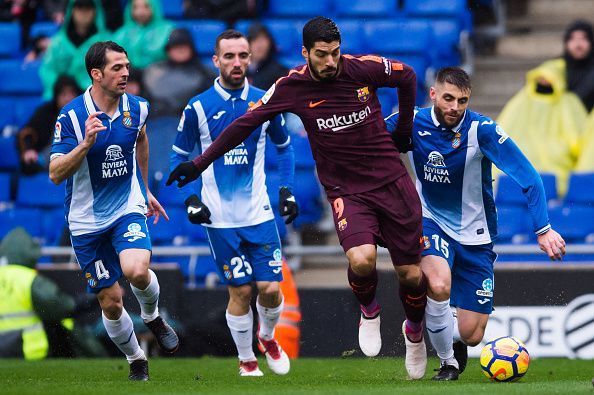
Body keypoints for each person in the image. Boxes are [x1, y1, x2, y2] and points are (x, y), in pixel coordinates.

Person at [168, 16, 429, 379]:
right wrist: (198, 164)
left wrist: (402, 132)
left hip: (392, 183)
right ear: (306, 53)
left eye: (336, 53)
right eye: (322, 54)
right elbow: (245, 123)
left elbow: (407, 76)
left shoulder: (361, 69)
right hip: (346, 191)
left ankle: (414, 334)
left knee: (411, 276)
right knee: (362, 259)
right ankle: (369, 310)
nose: (330, 61)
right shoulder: (291, 86)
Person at [385, 67, 566, 380]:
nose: (455, 107)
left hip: (476, 234)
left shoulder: (482, 130)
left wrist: (543, 229)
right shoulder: (410, 121)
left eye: (462, 100)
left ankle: (446, 330)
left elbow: (529, 178)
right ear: (433, 94)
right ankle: (446, 363)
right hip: (430, 221)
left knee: (471, 334)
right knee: (438, 283)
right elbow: (366, 143)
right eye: (448, 98)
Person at [169, 29, 297, 377]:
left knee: (270, 289)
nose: (237, 62)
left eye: (243, 55)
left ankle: (267, 336)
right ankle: (247, 361)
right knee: (240, 290)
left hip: (258, 213)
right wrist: (190, 199)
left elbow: (285, 148)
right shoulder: (197, 107)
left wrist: (287, 189)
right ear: (216, 60)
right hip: (221, 219)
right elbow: (176, 161)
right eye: (229, 56)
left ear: (250, 58)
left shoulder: (265, 102)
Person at [49, 41, 178, 381]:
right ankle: (137, 358)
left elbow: (142, 139)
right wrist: (85, 144)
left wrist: (146, 189)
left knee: (136, 270)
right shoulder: (73, 117)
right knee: (111, 301)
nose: (125, 73)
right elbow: (55, 173)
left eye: (126, 66)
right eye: (117, 68)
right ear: (96, 74)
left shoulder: (138, 108)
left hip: (125, 207)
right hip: (86, 221)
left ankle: (152, 316)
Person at [0, 227, 107, 360]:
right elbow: (64, 306)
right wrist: (95, 297)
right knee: (65, 323)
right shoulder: (28, 279)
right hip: (28, 352)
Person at [40, 0, 108, 99]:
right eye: (79, 8)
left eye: (88, 8)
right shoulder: (58, 43)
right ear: (71, 11)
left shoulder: (106, 43)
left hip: (96, 99)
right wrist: (64, 88)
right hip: (62, 100)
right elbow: (48, 71)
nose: (84, 13)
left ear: (96, 11)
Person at [17, 75, 81, 175]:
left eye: (71, 93)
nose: (68, 98)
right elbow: (27, 132)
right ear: (56, 97)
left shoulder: (87, 112)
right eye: (63, 94)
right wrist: (28, 150)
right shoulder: (46, 112)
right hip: (47, 162)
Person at [143, 28, 215, 116]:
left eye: (184, 46)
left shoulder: (206, 74)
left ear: (191, 49)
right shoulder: (152, 70)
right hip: (154, 119)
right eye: (175, 46)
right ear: (168, 50)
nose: (180, 50)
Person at [113, 0, 173, 70]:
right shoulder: (122, 32)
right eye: (135, 7)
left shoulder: (167, 30)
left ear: (155, 8)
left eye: (146, 6)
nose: (140, 12)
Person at [247, 23, 288, 90]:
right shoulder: (240, 70)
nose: (259, 45)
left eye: (263, 40)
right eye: (255, 40)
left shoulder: (280, 72)